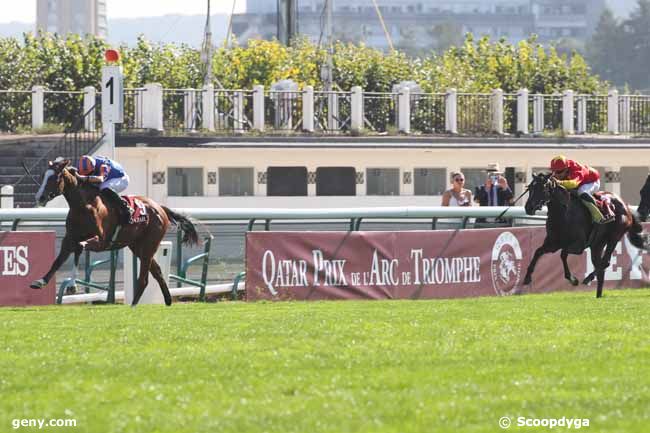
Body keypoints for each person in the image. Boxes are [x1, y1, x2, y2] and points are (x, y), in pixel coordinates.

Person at [549, 155, 614, 224]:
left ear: (566, 169)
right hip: (581, 181)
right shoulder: (563, 169)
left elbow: (573, 184)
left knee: (581, 192)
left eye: (559, 172)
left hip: (591, 181)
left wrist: (559, 182)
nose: (556, 175)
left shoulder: (577, 171)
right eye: (554, 171)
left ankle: (599, 216)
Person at [76, 155, 130, 224]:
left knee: (103, 187)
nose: (87, 175)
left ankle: (124, 208)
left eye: (89, 174)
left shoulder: (103, 166)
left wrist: (84, 178)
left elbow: (101, 179)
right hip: (108, 177)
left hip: (120, 179)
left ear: (93, 168)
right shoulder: (86, 164)